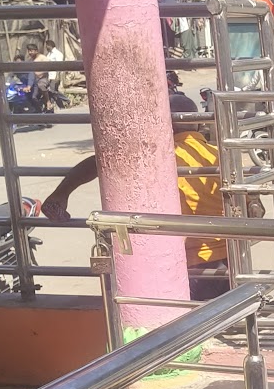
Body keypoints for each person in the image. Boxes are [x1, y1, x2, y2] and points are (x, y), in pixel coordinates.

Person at [41, 106, 229, 298]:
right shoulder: (221, 156)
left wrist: (61, 193)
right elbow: (249, 207)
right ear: (197, 123)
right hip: (228, 264)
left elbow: (101, 161)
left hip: (181, 268)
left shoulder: (154, 159)